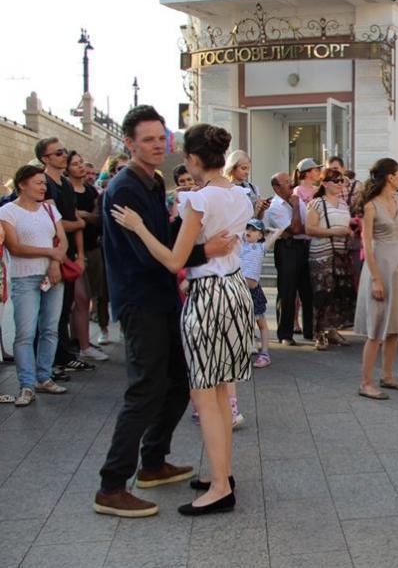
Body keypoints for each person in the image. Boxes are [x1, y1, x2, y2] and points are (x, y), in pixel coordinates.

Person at [95, 106, 235, 518]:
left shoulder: (154, 181)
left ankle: (153, 461)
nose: (158, 145)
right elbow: (145, 252)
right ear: (130, 143)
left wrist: (191, 232)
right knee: (145, 389)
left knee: (180, 381)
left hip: (163, 295)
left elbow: (165, 237)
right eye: (149, 140)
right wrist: (202, 249)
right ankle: (112, 484)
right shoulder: (123, 188)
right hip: (140, 299)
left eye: (162, 138)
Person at [0, 165, 70, 406]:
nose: (43, 187)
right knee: (25, 334)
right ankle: (26, 385)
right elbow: (15, 247)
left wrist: (53, 262)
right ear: (22, 184)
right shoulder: (8, 212)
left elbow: (63, 241)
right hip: (24, 278)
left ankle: (44, 377)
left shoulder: (50, 209)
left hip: (53, 277)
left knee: (50, 329)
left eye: (44, 183)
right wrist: (50, 252)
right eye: (38, 182)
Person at [353, 158, 398, 400]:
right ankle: (366, 382)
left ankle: (387, 375)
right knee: (376, 327)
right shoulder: (371, 205)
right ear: (390, 176)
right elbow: (366, 244)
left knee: (394, 326)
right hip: (379, 267)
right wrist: (376, 279)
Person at [37, 138, 92, 377]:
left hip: (69, 256)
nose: (64, 156)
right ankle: (49, 363)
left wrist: (80, 255)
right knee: (49, 314)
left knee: (65, 308)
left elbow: (74, 224)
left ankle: (64, 355)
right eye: (58, 153)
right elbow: (53, 224)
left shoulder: (67, 186)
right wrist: (76, 222)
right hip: (50, 256)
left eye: (64, 151)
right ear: (45, 159)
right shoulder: (44, 184)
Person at [305, 167, 356, 350]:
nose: (340, 184)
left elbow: (346, 225)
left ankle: (332, 330)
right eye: (336, 180)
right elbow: (309, 229)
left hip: (341, 254)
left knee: (337, 294)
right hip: (322, 254)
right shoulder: (317, 203)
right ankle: (319, 333)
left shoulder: (343, 204)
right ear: (325, 184)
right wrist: (333, 232)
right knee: (322, 294)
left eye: (342, 180)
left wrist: (350, 231)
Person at [65, 151, 109, 361]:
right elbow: (72, 222)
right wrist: (82, 220)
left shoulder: (92, 191)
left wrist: (84, 217)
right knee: (79, 300)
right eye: (75, 164)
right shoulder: (65, 191)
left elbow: (98, 219)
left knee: (93, 295)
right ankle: (80, 344)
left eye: (81, 162)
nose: (81, 167)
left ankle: (83, 341)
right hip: (72, 253)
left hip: (94, 248)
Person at [264, 171, 314, 345]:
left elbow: (307, 226)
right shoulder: (275, 206)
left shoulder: (297, 200)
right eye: (286, 183)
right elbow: (295, 229)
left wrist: (296, 207)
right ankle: (285, 334)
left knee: (307, 290)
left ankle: (310, 330)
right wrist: (294, 208)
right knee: (287, 291)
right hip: (287, 248)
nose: (291, 185)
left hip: (303, 247)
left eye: (291, 182)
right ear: (276, 187)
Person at [240, 219, 274, 368]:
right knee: (241, 322)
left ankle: (265, 353)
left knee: (261, 323)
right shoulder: (240, 245)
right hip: (240, 289)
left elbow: (277, 233)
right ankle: (243, 350)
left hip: (254, 290)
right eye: (248, 228)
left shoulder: (261, 247)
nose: (249, 231)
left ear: (260, 235)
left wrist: (271, 231)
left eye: (253, 230)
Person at [225, 150, 269, 219]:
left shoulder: (253, 188)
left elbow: (259, 219)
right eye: (243, 168)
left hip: (252, 228)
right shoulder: (225, 189)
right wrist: (255, 213)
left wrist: (261, 209)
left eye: (249, 169)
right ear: (232, 168)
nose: (247, 172)